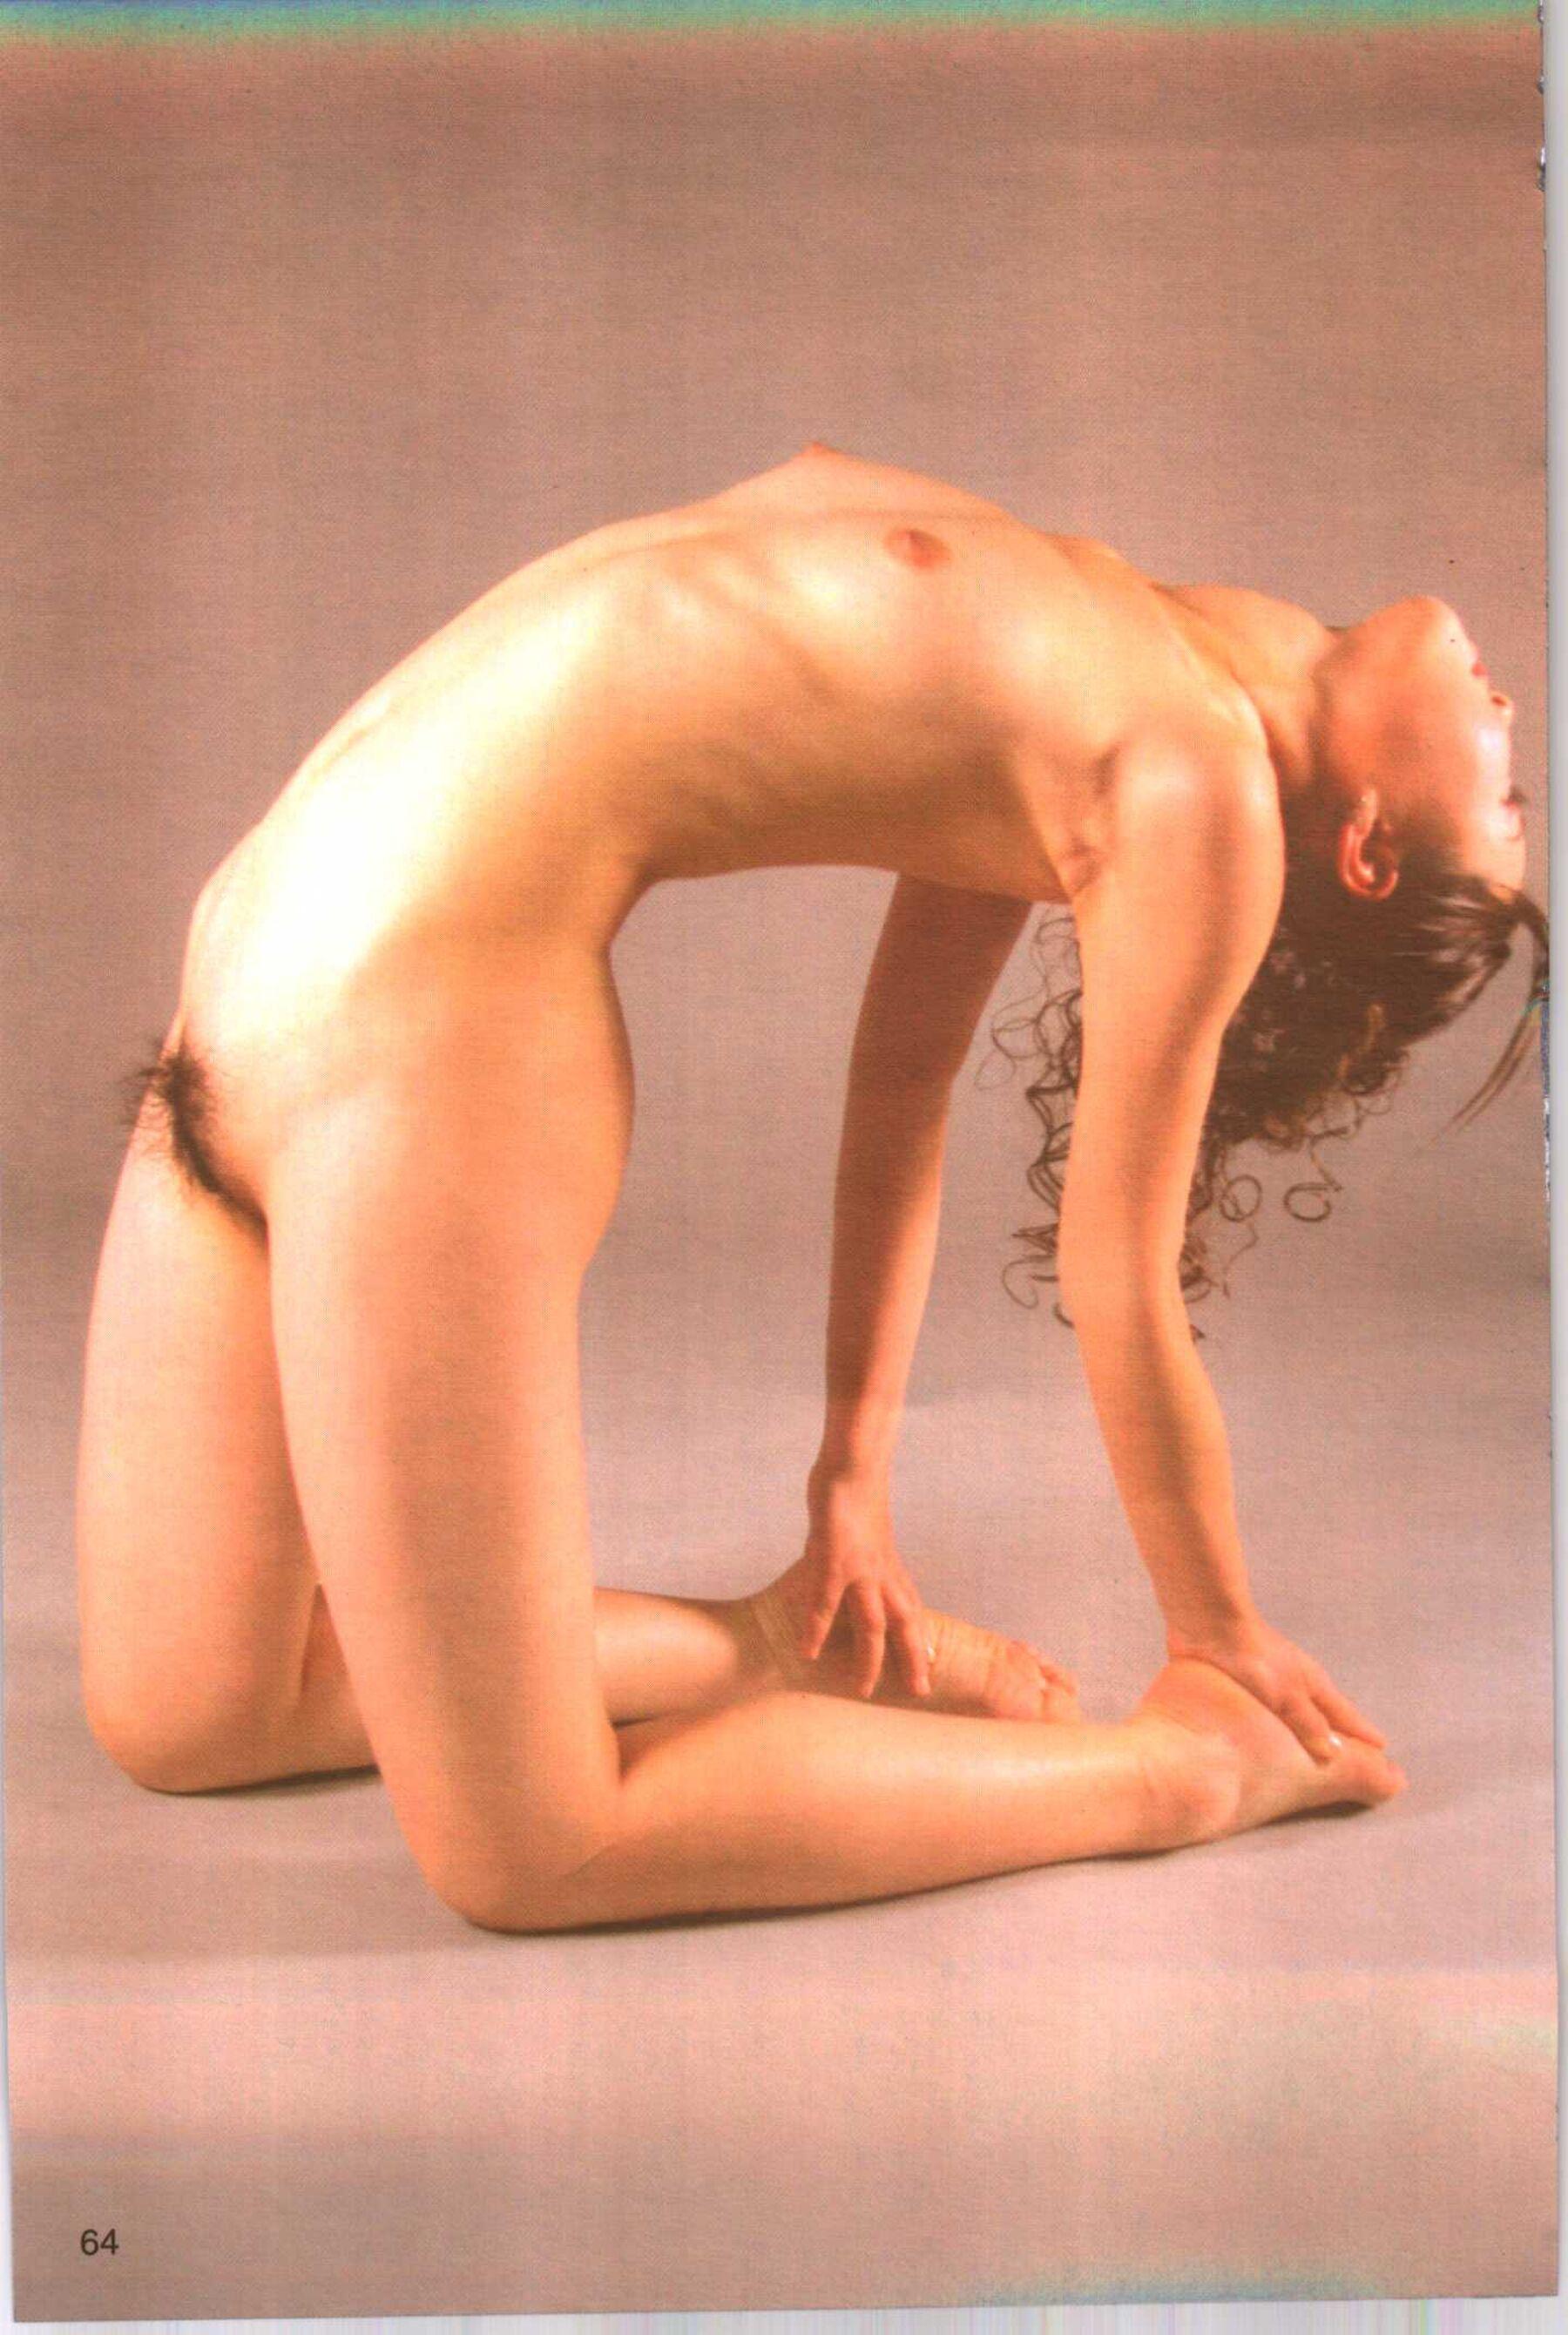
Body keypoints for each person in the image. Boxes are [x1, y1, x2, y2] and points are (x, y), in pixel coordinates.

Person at [76, 443, 1544, 1932]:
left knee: (535, 1851)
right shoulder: (1103, 648)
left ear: (1366, 849)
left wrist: (1217, 1637)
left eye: (1510, 806)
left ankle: (1182, 1771)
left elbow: (1119, 1278)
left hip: (424, 1039)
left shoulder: (1199, 779)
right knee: (196, 1710)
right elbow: (905, 1082)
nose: (1511, 725)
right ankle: (783, 1645)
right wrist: (850, 1481)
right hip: (252, 984)